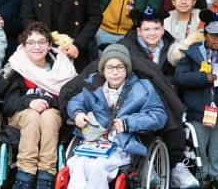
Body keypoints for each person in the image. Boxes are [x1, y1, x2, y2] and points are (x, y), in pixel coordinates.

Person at [116, 4, 200, 189]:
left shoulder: (172, 48)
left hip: (163, 95)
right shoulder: (125, 46)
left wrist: (168, 83)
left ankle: (177, 166)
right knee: (151, 112)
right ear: (138, 31)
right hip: (135, 95)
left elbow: (174, 74)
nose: (152, 33)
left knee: (173, 110)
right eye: (146, 29)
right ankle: (147, 164)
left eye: (156, 28)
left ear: (163, 29)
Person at [65, 44, 168, 189]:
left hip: (121, 146)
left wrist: (129, 122)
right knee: (76, 163)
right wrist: (78, 113)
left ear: (127, 68)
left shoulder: (142, 88)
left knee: (97, 166)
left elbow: (159, 116)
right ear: (103, 70)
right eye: (110, 68)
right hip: (93, 143)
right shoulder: (93, 85)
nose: (115, 72)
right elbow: (75, 101)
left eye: (120, 67)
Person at [0, 22, 78, 189]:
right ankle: (25, 175)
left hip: (52, 118)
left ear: (49, 45)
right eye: (31, 42)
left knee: (48, 116)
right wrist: (30, 102)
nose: (36, 47)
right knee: (32, 116)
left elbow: (70, 101)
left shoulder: (62, 68)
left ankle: (46, 175)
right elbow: (9, 104)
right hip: (22, 116)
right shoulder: (17, 68)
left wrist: (49, 102)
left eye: (42, 42)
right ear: (24, 46)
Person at [171, 14, 218, 189]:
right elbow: (180, 78)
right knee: (199, 145)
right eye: (214, 35)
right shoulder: (190, 53)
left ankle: (216, 175)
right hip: (198, 108)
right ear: (205, 34)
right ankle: (201, 175)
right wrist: (202, 78)